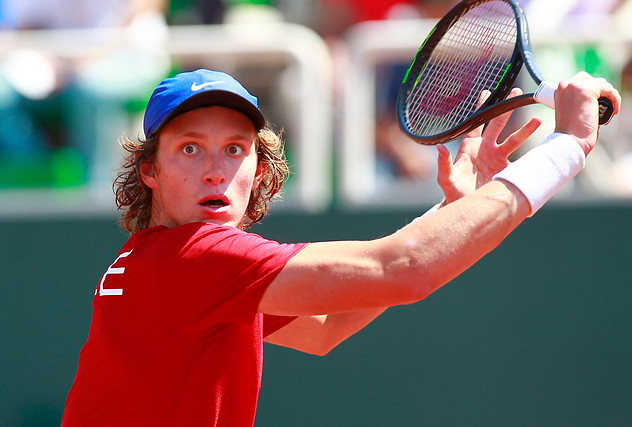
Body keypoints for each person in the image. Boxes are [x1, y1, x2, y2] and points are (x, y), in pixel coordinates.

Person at [61, 68, 620, 425]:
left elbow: (326, 327)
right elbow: (403, 268)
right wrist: (567, 147)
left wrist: (450, 211)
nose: (215, 170)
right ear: (149, 170)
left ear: (259, 170)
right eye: (189, 149)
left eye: (235, 149)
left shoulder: (155, 262)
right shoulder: (194, 260)